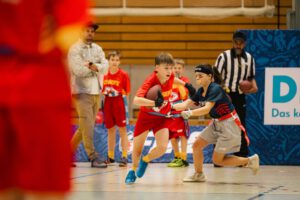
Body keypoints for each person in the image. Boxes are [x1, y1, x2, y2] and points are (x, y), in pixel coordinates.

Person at [0, 0, 89, 199]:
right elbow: (69, 31)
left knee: (38, 187)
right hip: (40, 81)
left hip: (39, 80)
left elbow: (69, 31)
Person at [173, 64, 259, 182]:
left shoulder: (215, 89)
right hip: (216, 122)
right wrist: (169, 106)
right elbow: (184, 104)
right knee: (196, 145)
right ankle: (199, 174)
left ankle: (249, 161)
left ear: (210, 76)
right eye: (196, 76)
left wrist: (189, 113)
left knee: (217, 160)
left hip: (229, 124)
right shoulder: (201, 91)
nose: (197, 78)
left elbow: (206, 109)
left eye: (200, 76)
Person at [125, 52, 196, 184]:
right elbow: (136, 100)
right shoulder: (151, 81)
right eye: (166, 68)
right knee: (137, 149)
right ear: (157, 67)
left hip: (162, 117)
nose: (170, 71)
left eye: (171, 68)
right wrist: (153, 103)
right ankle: (132, 171)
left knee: (162, 148)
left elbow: (174, 79)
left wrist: (186, 85)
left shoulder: (170, 76)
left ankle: (145, 160)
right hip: (146, 117)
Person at [69, 22, 109, 168]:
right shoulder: (74, 50)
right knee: (88, 125)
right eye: (87, 30)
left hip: (96, 91)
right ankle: (93, 157)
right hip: (81, 92)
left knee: (85, 126)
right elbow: (78, 71)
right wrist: (97, 68)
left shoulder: (98, 49)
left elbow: (106, 67)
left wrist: (93, 66)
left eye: (92, 31)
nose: (90, 33)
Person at [214, 30, 258, 158]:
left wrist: (253, 86)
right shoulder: (223, 57)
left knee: (240, 125)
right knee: (220, 123)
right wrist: (219, 92)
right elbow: (216, 77)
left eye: (241, 43)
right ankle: (218, 157)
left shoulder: (249, 58)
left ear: (244, 43)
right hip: (224, 95)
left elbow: (250, 77)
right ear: (233, 42)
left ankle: (242, 155)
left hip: (239, 96)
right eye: (236, 42)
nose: (238, 45)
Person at [102, 50, 130, 167]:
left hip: (119, 102)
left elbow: (127, 91)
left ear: (119, 62)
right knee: (110, 130)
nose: (115, 62)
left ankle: (124, 156)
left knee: (122, 130)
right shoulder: (103, 74)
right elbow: (101, 88)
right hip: (108, 102)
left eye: (117, 60)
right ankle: (111, 156)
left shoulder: (123, 75)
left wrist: (116, 92)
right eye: (112, 59)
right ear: (108, 61)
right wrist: (106, 91)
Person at [167, 59, 190, 168]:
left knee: (182, 136)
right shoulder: (167, 81)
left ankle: (184, 158)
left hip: (181, 113)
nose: (177, 70)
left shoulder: (185, 81)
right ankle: (177, 157)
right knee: (172, 136)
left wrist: (178, 82)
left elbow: (184, 96)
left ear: (183, 70)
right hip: (170, 113)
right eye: (175, 68)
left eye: (179, 68)